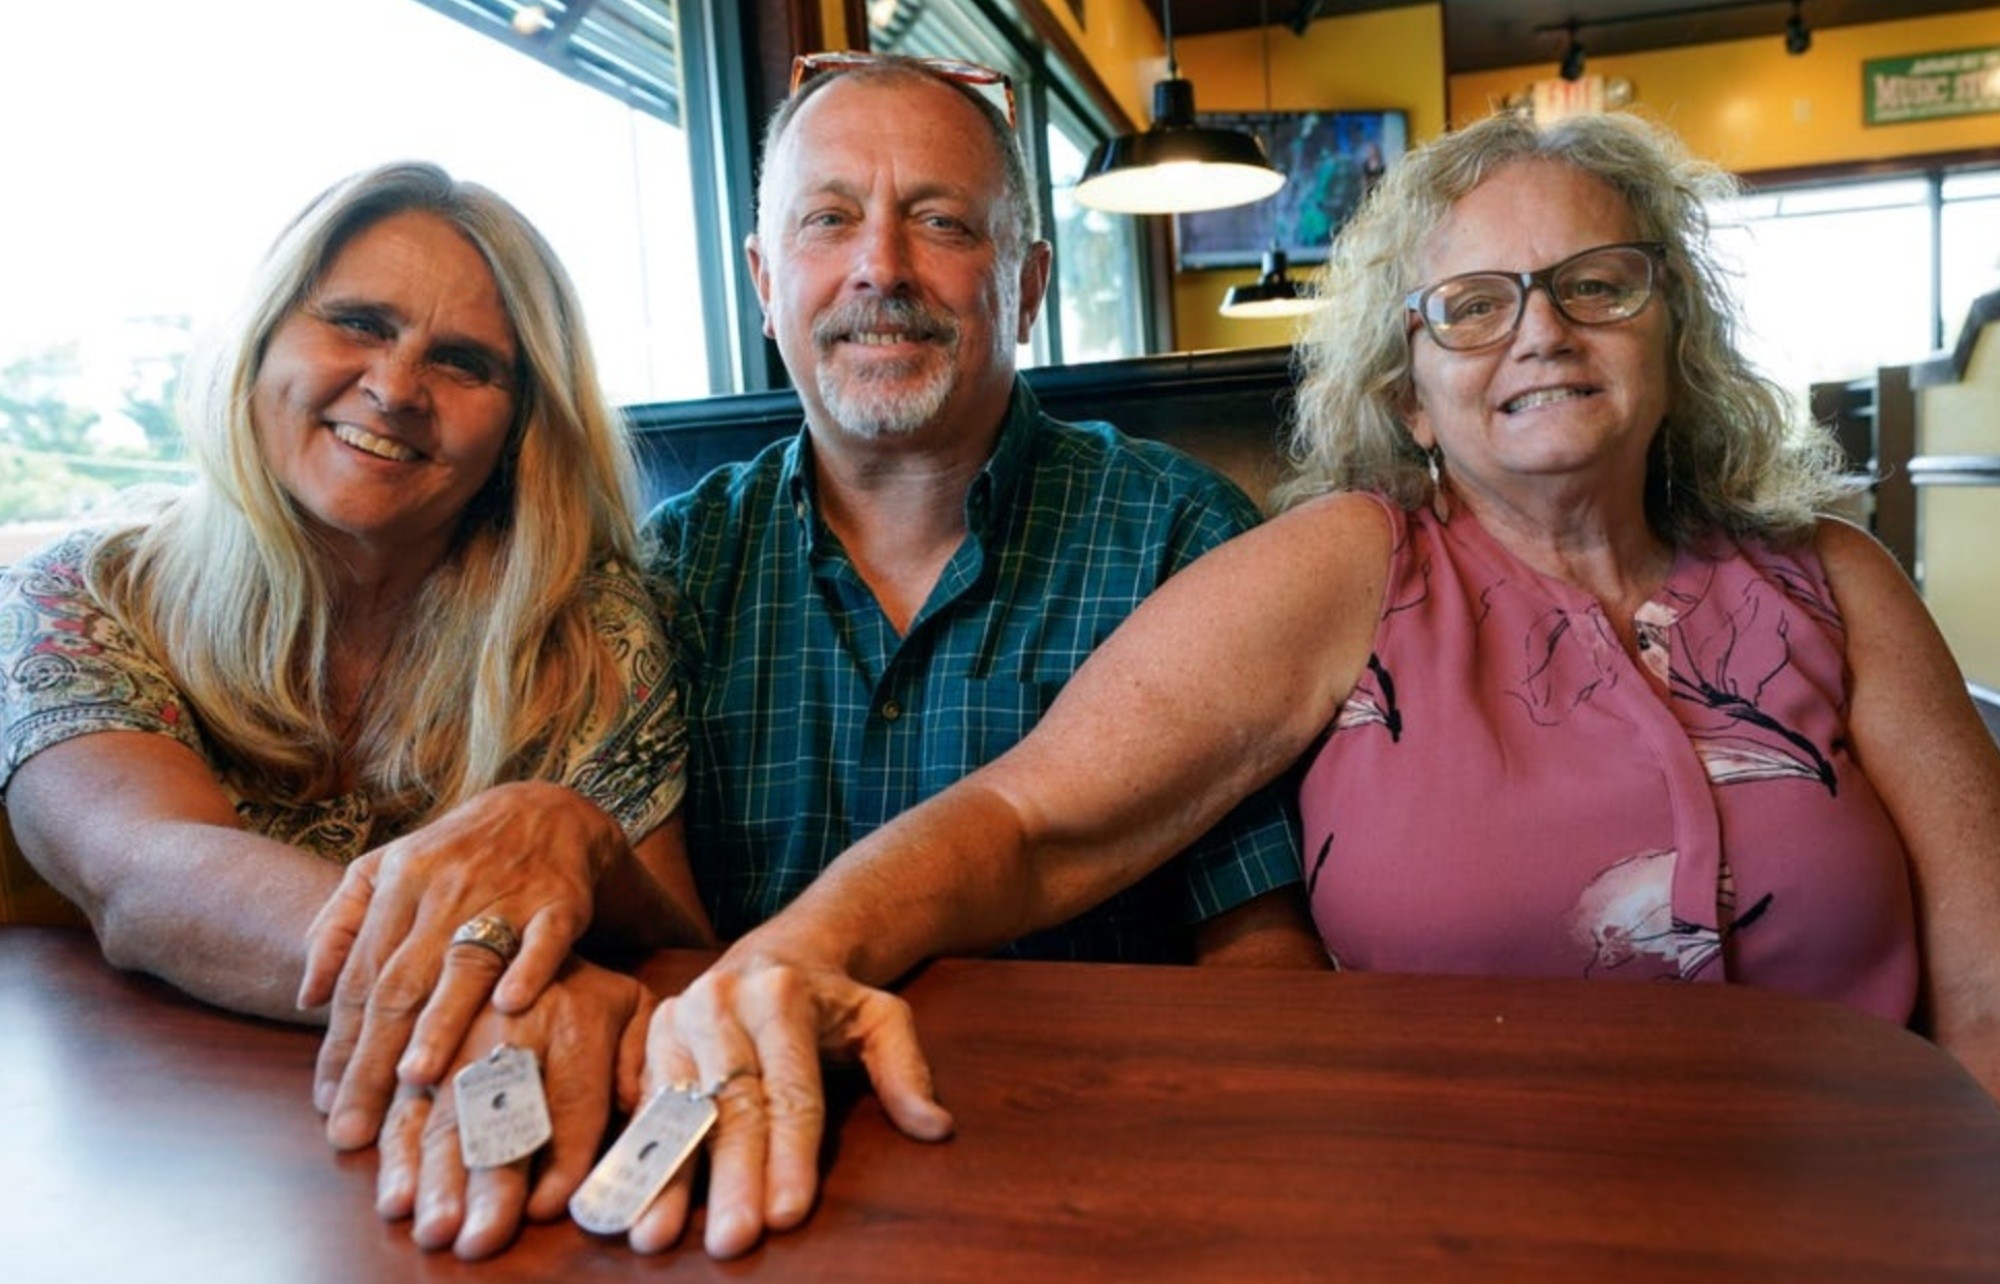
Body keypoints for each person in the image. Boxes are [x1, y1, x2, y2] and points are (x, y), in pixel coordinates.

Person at [630, 107, 2000, 1256]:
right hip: (1457, 1243)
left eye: (1597, 283)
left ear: (1670, 326)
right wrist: (803, 954)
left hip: (1870, 1227)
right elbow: (1032, 817)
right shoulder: (1352, 566)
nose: (1541, 332)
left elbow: (1992, 999)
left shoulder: (1839, 579)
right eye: (1471, 305)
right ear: (1409, 390)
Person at [0, 162, 712, 1258]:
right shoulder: (89, 592)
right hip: (153, 1186)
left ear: (522, 427)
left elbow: (674, 957)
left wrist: (584, 847)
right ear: (261, 344)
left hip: (481, 1181)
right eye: (356, 324)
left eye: (465, 363)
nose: (394, 387)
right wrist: (470, 989)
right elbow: (142, 872)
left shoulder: (591, 630)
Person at [644, 51, 1314, 974]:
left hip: (1090, 1107)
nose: (880, 267)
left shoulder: (1180, 537)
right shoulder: (669, 569)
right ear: (764, 284)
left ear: (1029, 287)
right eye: (829, 220)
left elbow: (1260, 953)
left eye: (940, 222)